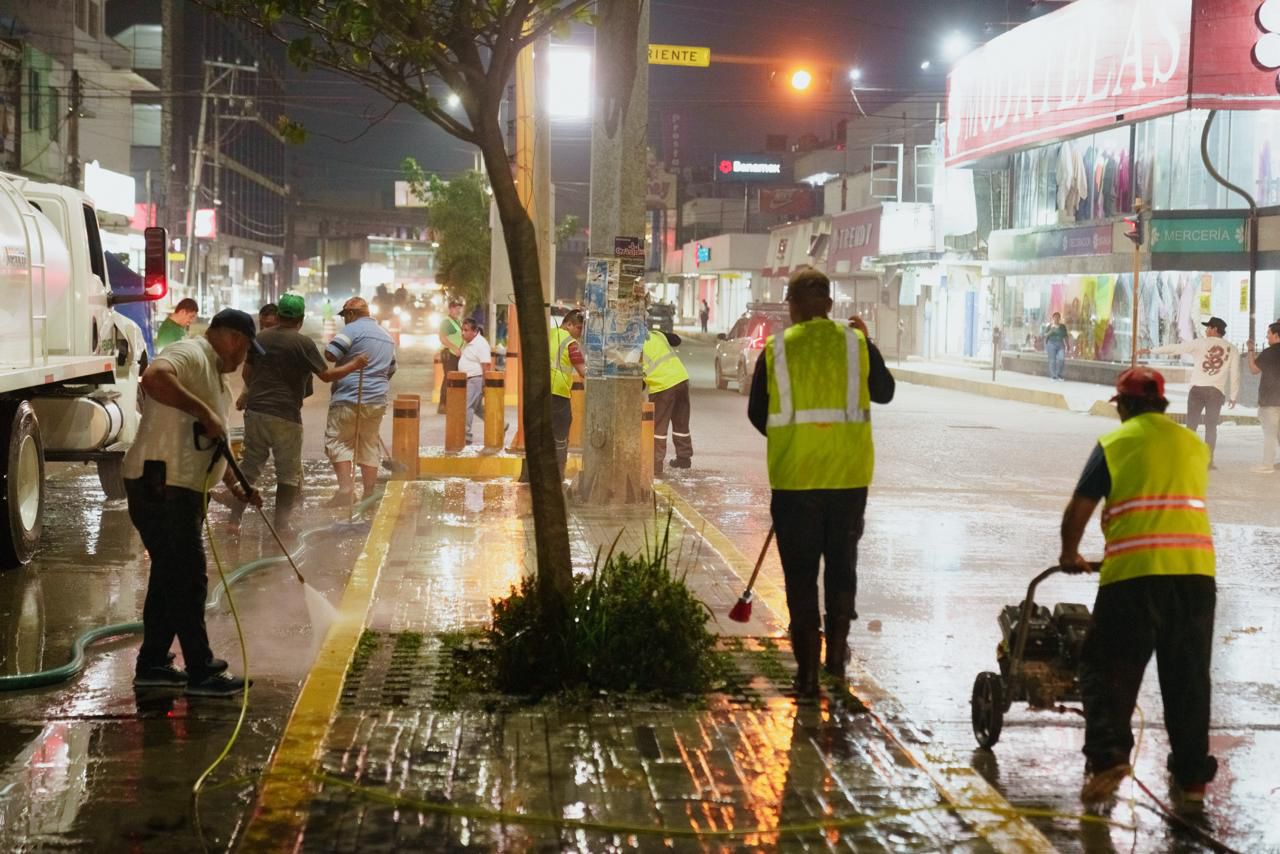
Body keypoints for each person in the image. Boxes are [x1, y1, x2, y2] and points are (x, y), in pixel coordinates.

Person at [1059, 367, 1217, 809]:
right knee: (1188, 681)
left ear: (1124, 406)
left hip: (1134, 577)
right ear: (1162, 406)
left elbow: (1081, 507)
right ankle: (1191, 782)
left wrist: (1070, 553)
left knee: (1104, 670)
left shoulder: (1117, 442)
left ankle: (1109, 759)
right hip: (1196, 576)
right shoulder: (1194, 445)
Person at [747, 268, 895, 697]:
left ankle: (808, 675)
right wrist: (869, 342)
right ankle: (837, 661)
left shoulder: (775, 350)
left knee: (800, 575)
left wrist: (795, 440)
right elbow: (884, 392)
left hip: (795, 483)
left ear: (791, 307)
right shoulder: (856, 344)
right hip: (848, 482)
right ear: (829, 305)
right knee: (841, 568)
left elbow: (759, 414)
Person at [124, 309, 264, 697]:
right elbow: (153, 378)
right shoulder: (191, 352)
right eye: (247, 351)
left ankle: (153, 663)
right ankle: (201, 669)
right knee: (188, 578)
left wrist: (239, 488)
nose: (243, 360)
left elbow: (216, 445)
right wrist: (202, 411)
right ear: (233, 338)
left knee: (169, 576)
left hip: (178, 489)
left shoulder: (217, 380)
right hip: (160, 484)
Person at [229, 294, 368, 533]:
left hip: (256, 412)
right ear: (301, 320)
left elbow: (246, 374)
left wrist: (258, 392)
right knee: (288, 472)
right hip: (285, 415)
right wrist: (354, 366)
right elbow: (325, 375)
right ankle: (281, 525)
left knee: (250, 466)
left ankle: (234, 521)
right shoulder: (303, 343)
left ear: (279, 315)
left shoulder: (259, 338)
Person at [325, 297, 397, 504]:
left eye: (345, 316)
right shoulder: (387, 336)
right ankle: (368, 494)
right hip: (376, 400)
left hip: (349, 397)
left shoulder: (351, 330)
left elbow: (330, 354)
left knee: (338, 441)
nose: (344, 320)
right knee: (368, 443)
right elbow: (391, 369)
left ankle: (346, 490)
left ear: (350, 314)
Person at [1140, 316, 1240, 467]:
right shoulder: (1232, 349)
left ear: (1214, 329)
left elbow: (1176, 348)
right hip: (1216, 392)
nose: (1206, 330)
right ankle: (1208, 461)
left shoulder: (1200, 343)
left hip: (1197, 389)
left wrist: (1151, 350)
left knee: (1191, 425)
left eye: (1208, 327)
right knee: (1211, 427)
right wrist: (1233, 395)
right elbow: (1235, 373)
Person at [640, 328, 692, 475]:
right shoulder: (657, 334)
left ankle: (656, 464)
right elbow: (677, 340)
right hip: (681, 378)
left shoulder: (634, 346)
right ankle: (684, 458)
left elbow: (639, 377)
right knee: (681, 422)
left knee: (658, 427)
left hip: (663, 385)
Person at [550, 309, 587, 477]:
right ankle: (559, 472)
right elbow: (583, 371)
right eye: (578, 328)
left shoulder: (550, 334)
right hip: (558, 393)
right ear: (568, 324)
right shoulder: (570, 344)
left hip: (541, 391)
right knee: (561, 435)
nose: (580, 332)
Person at [1246, 321, 1280, 473]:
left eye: (1268, 333)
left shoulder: (1270, 352)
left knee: (1270, 434)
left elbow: (1253, 369)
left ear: (1276, 335)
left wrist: (1251, 351)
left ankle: (1267, 465)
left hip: (1271, 400)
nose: (1267, 337)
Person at [458, 318, 492, 444]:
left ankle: (466, 435)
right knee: (477, 408)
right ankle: (500, 425)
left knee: (467, 406)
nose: (463, 333)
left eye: (466, 330)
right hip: (470, 380)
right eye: (462, 330)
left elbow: (486, 365)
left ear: (474, 331)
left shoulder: (481, 344)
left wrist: (485, 384)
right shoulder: (469, 342)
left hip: (475, 380)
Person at [437, 300, 464, 413]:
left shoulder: (457, 321)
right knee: (448, 378)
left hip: (457, 355)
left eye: (459, 308)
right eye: (456, 308)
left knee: (454, 379)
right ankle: (443, 405)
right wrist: (454, 347)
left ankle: (452, 403)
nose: (458, 310)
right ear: (450, 309)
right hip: (449, 354)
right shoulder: (446, 322)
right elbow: (442, 338)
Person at [1044, 311, 1069, 382]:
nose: (1056, 319)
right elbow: (1045, 335)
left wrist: (1068, 345)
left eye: (1058, 318)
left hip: (1060, 344)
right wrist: (1051, 331)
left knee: (1061, 359)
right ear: (1053, 318)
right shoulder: (1049, 326)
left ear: (1060, 318)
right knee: (1052, 360)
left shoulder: (1062, 327)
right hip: (1051, 344)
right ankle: (1053, 376)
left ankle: (1059, 374)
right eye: (1055, 318)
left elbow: (1065, 336)